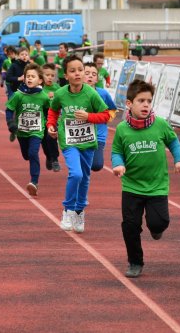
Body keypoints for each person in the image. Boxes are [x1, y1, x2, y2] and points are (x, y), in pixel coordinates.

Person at [111, 79, 180, 278]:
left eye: (149, 101)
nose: (146, 105)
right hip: (131, 186)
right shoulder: (122, 129)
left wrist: (179, 159)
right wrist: (118, 164)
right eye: (141, 101)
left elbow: (173, 141)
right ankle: (135, 262)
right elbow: (117, 151)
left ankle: (156, 229)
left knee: (159, 223)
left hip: (157, 186)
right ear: (129, 104)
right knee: (130, 226)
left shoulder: (160, 124)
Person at [47, 55, 110, 233]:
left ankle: (79, 211)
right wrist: (51, 125)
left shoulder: (91, 94)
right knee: (76, 174)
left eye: (80, 70)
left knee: (85, 177)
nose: (78, 73)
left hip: (88, 142)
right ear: (65, 75)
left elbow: (106, 115)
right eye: (73, 71)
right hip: (69, 140)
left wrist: (88, 117)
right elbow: (53, 111)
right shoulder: (60, 94)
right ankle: (67, 209)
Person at [6, 63, 51, 196]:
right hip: (22, 131)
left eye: (33, 76)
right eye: (27, 76)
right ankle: (33, 176)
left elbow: (48, 111)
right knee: (26, 155)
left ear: (40, 80)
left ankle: (34, 182)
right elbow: (9, 110)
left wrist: (50, 124)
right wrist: (10, 123)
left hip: (37, 131)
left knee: (33, 153)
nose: (29, 79)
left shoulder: (43, 96)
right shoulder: (18, 95)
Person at [84, 62, 117, 171]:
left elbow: (112, 109)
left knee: (97, 165)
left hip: (99, 135)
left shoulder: (103, 94)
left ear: (97, 79)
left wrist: (108, 118)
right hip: (80, 136)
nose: (90, 76)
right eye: (87, 73)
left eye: (93, 74)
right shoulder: (73, 93)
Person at [41, 63, 61, 172]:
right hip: (41, 118)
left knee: (51, 137)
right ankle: (48, 157)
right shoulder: (39, 88)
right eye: (47, 75)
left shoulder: (58, 89)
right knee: (44, 141)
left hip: (53, 118)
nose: (50, 77)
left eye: (52, 75)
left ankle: (55, 159)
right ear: (41, 76)